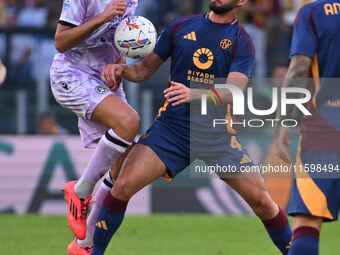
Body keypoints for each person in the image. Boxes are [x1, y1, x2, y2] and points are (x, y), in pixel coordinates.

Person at [91, 0, 293, 254]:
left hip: (217, 136)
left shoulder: (242, 41)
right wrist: (119, 69)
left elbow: (234, 90)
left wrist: (194, 93)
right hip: (172, 130)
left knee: (264, 203)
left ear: (241, 2)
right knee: (122, 186)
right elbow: (142, 71)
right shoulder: (180, 26)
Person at [50, 0, 140, 254]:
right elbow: (60, 41)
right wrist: (102, 17)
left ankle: (84, 245)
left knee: (123, 166)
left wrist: (120, 65)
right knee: (130, 121)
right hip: (72, 72)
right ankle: (79, 190)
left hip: (103, 76)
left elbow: (117, 37)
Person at [276, 1, 340, 255]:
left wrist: (284, 119)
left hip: (323, 130)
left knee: (306, 225)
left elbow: (300, 66)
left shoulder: (313, 13)